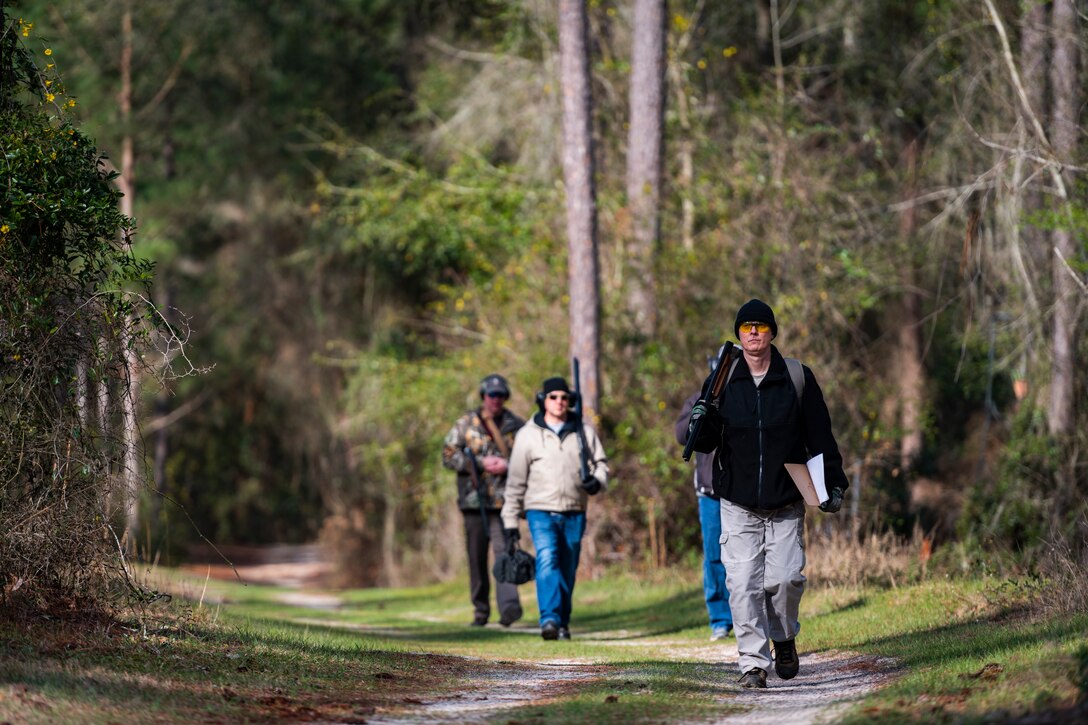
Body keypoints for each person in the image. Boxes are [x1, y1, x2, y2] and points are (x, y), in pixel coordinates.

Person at [688, 299, 848, 689]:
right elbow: (706, 442)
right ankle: (753, 664)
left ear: (772, 332)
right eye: (746, 327)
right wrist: (701, 417)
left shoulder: (796, 376)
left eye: (761, 326)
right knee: (742, 583)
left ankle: (784, 637)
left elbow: (820, 437)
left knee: (786, 579)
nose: (754, 332)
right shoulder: (724, 378)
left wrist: (834, 483)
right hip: (737, 501)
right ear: (739, 335)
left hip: (786, 498)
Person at [501, 376, 609, 641]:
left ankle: (562, 620)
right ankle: (548, 618)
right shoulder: (527, 435)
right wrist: (510, 522)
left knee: (568, 567)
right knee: (547, 558)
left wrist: (596, 482)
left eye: (564, 397)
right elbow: (515, 481)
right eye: (553, 397)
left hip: (575, 509)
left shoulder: (583, 432)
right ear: (543, 400)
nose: (559, 402)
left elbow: (602, 465)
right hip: (540, 510)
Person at [442, 373, 525, 627]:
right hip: (473, 503)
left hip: (504, 502)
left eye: (501, 395)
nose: (496, 400)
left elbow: (528, 459)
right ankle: (480, 610)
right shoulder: (466, 423)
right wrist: (478, 463)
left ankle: (509, 608)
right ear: (483, 396)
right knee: (476, 557)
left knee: (505, 553)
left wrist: (507, 465)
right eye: (492, 395)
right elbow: (447, 455)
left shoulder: (516, 425)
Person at [674, 363, 734, 642]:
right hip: (709, 493)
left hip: (739, 492)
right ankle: (720, 620)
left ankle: (747, 616)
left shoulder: (742, 398)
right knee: (714, 557)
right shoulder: (696, 399)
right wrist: (702, 409)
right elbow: (681, 435)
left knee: (746, 558)